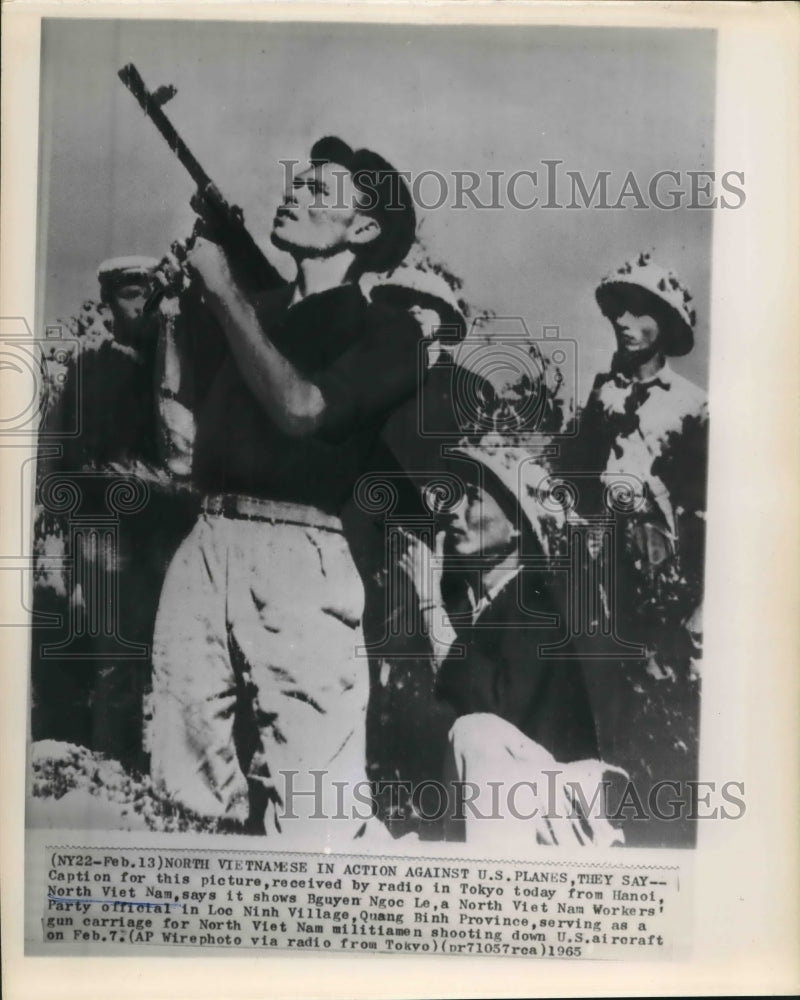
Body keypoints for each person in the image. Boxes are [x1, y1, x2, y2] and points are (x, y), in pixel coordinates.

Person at [146, 137, 422, 844]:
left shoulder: (390, 333)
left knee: (320, 813)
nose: (295, 192)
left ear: (363, 231)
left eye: (320, 191)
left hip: (301, 556)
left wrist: (223, 292)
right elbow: (181, 426)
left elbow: (302, 410)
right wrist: (182, 309)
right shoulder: (258, 305)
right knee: (185, 783)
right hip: (207, 538)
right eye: (296, 181)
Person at [398, 444, 622, 846]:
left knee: (475, 732)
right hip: (528, 810)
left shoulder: (533, 605)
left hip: (564, 818)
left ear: (517, 525)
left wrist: (429, 600)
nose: (454, 509)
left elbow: (479, 711)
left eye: (474, 497)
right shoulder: (495, 606)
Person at [563, 252, 708, 846]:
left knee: (662, 702)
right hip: (599, 571)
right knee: (598, 700)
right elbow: (573, 478)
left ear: (665, 325)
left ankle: (659, 828)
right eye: (618, 308)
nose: (624, 320)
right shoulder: (600, 395)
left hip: (663, 581)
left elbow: (701, 509)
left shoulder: (693, 405)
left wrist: (694, 600)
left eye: (641, 310)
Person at [32, 256, 196, 771]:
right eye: (129, 293)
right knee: (117, 656)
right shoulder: (89, 368)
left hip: (172, 533)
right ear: (108, 303)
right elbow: (54, 466)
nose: (141, 302)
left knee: (180, 654)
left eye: (149, 291)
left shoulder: (178, 365)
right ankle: (117, 766)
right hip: (108, 536)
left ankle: (173, 769)